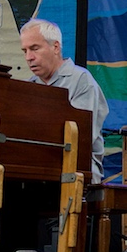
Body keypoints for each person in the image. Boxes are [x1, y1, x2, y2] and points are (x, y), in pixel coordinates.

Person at [20, 18, 110, 180]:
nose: (29, 57)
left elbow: (80, 138)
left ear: (55, 47)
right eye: (24, 51)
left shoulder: (81, 80)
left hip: (78, 171)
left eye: (34, 48)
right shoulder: (28, 87)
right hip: (37, 169)